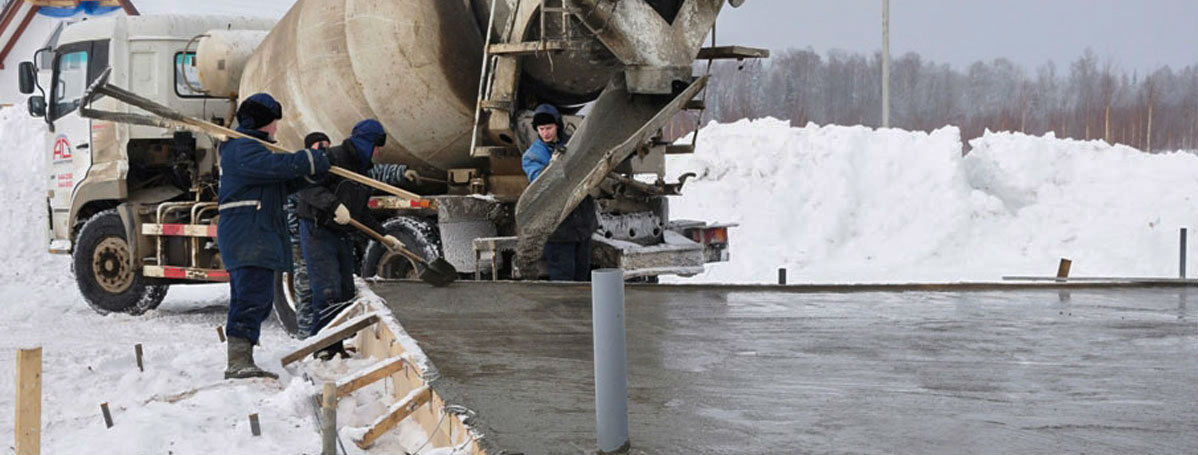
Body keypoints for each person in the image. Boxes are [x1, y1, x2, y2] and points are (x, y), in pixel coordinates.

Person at [218, 93, 331, 379]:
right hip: (248, 236)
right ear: (262, 123)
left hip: (253, 235)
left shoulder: (251, 151)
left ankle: (241, 357)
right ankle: (238, 361)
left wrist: (314, 171)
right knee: (251, 297)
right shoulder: (243, 149)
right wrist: (310, 159)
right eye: (274, 122)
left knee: (254, 296)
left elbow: (281, 181)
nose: (277, 128)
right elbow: (277, 167)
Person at [296, 119, 402, 359]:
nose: (377, 152)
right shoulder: (331, 158)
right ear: (365, 142)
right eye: (376, 146)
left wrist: (383, 235)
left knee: (345, 291)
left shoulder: (362, 171)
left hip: (341, 233)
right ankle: (322, 348)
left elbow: (361, 213)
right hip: (317, 229)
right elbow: (306, 187)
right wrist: (333, 205)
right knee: (327, 289)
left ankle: (335, 346)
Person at [521, 104, 599, 281]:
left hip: (582, 226)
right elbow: (539, 183)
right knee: (563, 280)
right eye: (541, 129)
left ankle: (582, 309)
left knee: (582, 277)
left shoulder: (573, 143)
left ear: (557, 126)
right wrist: (554, 166)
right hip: (558, 229)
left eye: (549, 128)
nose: (545, 133)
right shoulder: (532, 155)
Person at [284, 132, 332, 339]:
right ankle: (305, 333)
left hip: (319, 238)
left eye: (327, 145)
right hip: (301, 241)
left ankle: (321, 333)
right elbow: (288, 207)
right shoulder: (300, 172)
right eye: (320, 145)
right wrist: (297, 234)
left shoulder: (325, 169)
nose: (324, 149)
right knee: (304, 289)